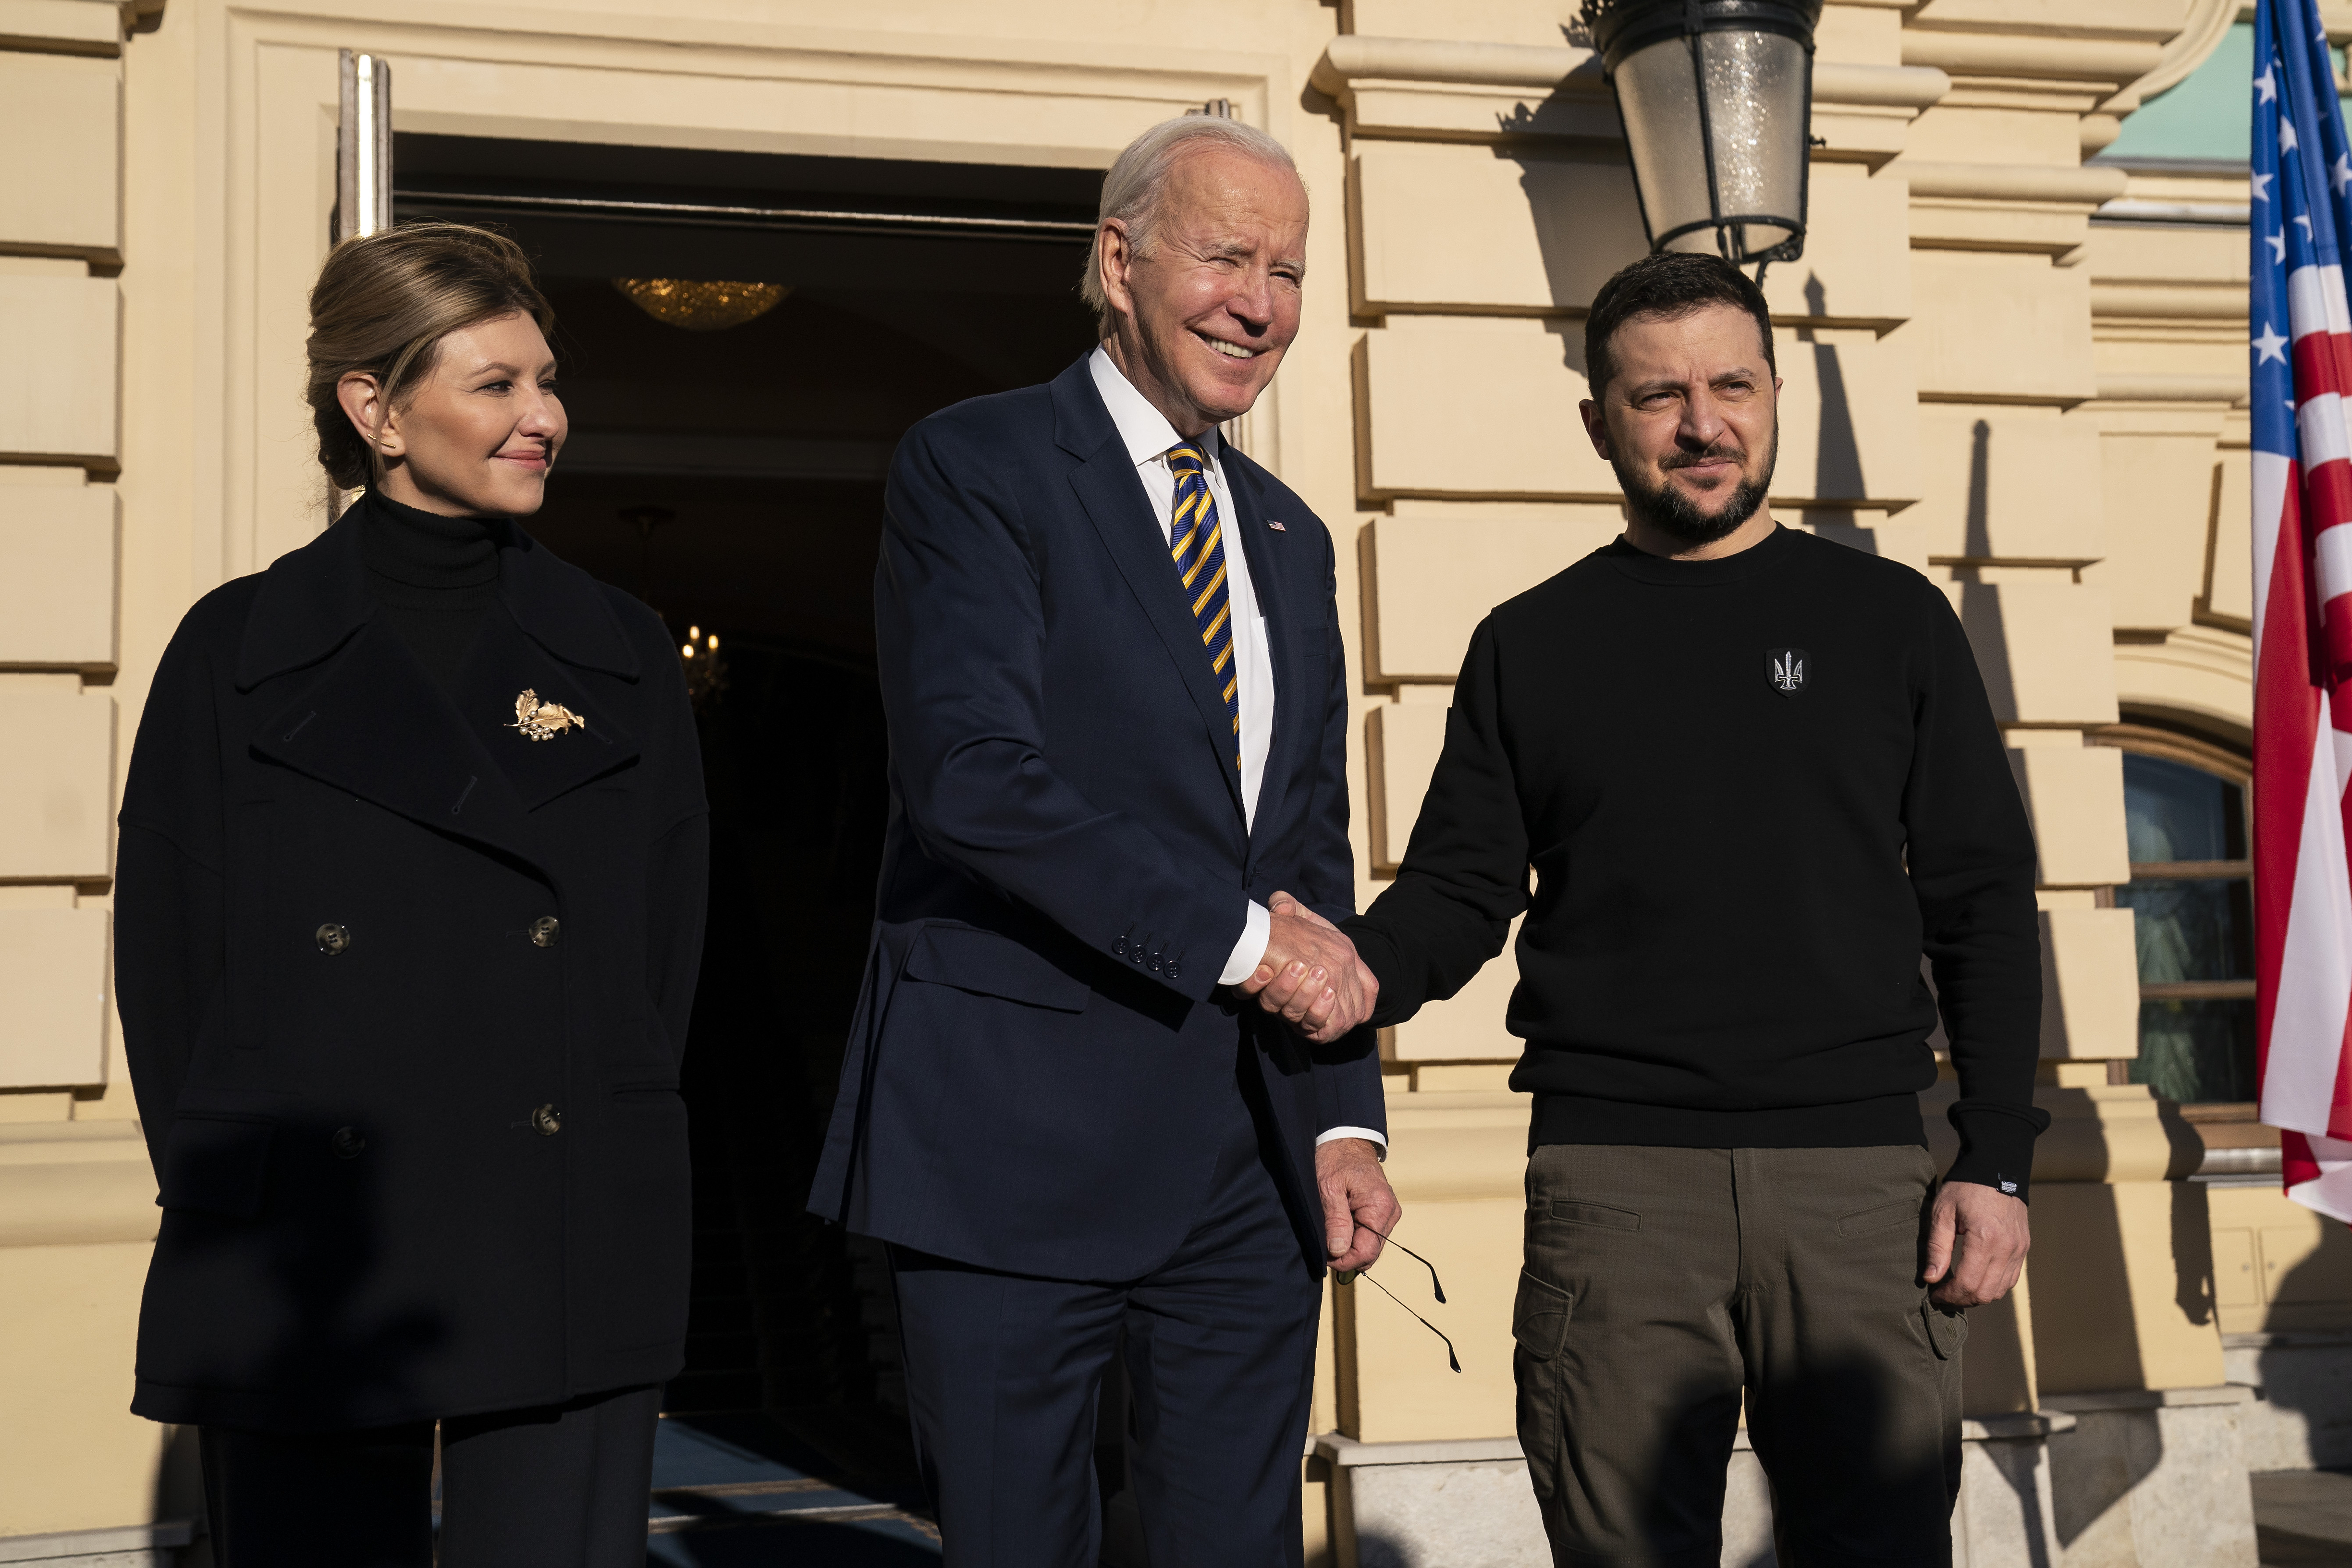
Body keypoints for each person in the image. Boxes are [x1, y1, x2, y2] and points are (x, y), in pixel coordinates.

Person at [1250, 251, 2048, 1563]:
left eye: (1733, 386)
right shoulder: (1530, 643)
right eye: (1659, 395)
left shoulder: (1891, 621)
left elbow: (1983, 900)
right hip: (1614, 1191)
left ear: (1775, 396)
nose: (1702, 425)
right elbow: (1460, 889)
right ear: (1599, 422)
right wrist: (1352, 971)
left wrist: (1997, 1155)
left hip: (1860, 1189)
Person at [808, 116, 1398, 1566]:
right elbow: (974, 779)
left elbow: (1307, 855)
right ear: (1119, 260)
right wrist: (1251, 950)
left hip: (1245, 1168)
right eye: (1225, 257)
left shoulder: (1290, 536)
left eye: (1287, 271)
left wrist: (1340, 1116)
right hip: (1011, 1147)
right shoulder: (978, 462)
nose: (1259, 304)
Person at [114, 222, 708, 1568]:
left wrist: (604, 1135)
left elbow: (658, 954)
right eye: (496, 385)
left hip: (562, 1227)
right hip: (307, 1245)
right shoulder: (235, 648)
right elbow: (171, 962)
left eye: (546, 381)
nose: (545, 417)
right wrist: (233, 1186)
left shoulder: (619, 652)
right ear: (374, 410)